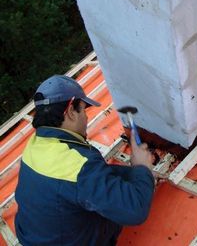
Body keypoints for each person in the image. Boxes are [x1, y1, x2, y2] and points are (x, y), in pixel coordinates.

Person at [14, 75, 155, 245]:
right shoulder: (78, 163)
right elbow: (135, 210)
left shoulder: (36, 144)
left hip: (33, 237)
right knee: (113, 214)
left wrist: (131, 173)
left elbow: (78, 180)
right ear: (71, 112)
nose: (87, 118)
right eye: (83, 110)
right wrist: (142, 169)